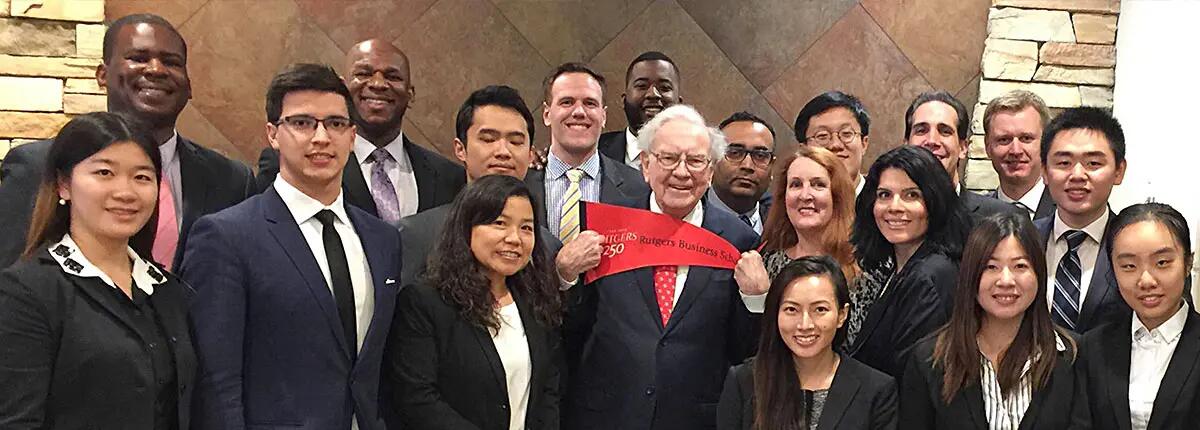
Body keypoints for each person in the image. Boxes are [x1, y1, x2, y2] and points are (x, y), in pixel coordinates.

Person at [182, 64, 401, 430]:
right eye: (302, 123)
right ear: (273, 133)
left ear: (351, 136)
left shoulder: (383, 239)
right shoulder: (226, 236)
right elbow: (216, 381)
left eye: (334, 124)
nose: (320, 137)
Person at [0, 13, 255, 270]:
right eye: (138, 58)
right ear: (102, 75)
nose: (156, 70)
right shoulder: (38, 165)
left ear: (189, 86)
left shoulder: (232, 180)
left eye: (172, 62)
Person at [562, 105, 759, 430]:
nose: (682, 172)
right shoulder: (607, 227)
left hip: (695, 418)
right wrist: (565, 276)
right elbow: (575, 328)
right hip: (606, 414)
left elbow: (743, 348)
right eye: (668, 158)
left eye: (696, 161)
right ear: (645, 164)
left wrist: (756, 300)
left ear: (709, 172)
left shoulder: (739, 241)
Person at [0, 112, 195, 428]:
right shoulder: (27, 292)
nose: (126, 192)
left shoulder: (165, 288)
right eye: (105, 172)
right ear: (64, 185)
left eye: (142, 177)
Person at [390, 175, 562, 429]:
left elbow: (548, 390)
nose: (515, 238)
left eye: (526, 227)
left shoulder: (536, 299)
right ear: (466, 227)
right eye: (500, 223)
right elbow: (417, 399)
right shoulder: (425, 302)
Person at [900, 213, 1078, 429]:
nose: (1006, 280)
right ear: (971, 275)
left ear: (1039, 274)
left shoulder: (1072, 356)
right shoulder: (930, 359)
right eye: (990, 267)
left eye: (1020, 266)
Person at [256, 39, 465, 221]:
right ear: (342, 86)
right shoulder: (286, 162)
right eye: (364, 73)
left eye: (392, 76)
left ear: (410, 93)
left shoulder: (450, 177)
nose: (378, 84)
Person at [397, 85, 564, 287]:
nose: (503, 151)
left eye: (516, 141)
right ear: (460, 149)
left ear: (530, 154)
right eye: (488, 139)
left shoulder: (547, 246)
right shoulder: (416, 235)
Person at [718, 256, 898, 430]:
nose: (805, 325)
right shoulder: (744, 381)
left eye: (820, 309)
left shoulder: (876, 389)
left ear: (842, 315)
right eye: (791, 309)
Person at [1072, 203, 1200, 429]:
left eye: (1162, 263)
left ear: (1188, 263)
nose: (1146, 281)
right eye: (1129, 266)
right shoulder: (1093, 347)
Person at [847, 145, 969, 377]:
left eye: (911, 195)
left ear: (935, 202)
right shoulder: (898, 267)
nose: (894, 207)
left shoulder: (930, 276)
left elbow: (911, 379)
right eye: (884, 195)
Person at [527, 63, 647, 243]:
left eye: (590, 103)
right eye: (566, 102)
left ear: (604, 116)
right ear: (546, 114)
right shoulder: (521, 182)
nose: (579, 112)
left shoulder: (638, 187)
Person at [1035, 106, 1130, 333]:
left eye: (1093, 164)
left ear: (1119, 171)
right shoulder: (1023, 239)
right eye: (1063, 163)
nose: (1077, 175)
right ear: (1045, 172)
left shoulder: (1136, 245)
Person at [731, 146, 858, 304]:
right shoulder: (767, 262)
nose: (805, 195)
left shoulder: (863, 266)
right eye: (796, 185)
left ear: (837, 196)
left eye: (818, 184)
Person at [904, 90, 1017, 223]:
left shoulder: (1001, 217)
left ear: (963, 147)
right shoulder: (885, 217)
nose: (932, 140)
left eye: (945, 131)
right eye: (921, 130)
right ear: (906, 144)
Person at [598, 51, 683, 167]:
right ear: (624, 100)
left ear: (679, 103)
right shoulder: (596, 150)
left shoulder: (700, 155)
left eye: (664, 87)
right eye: (642, 86)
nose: (653, 94)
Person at [983, 90, 1056, 220]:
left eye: (1026, 138)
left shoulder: (1068, 211)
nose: (1015, 151)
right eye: (1004, 140)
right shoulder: (971, 218)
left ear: (1046, 142)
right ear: (988, 146)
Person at [710, 111, 777, 236]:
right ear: (713, 160)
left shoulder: (785, 225)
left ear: (772, 167)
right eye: (735, 153)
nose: (747, 166)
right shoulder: (689, 216)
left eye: (760, 156)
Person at [793, 91, 872, 195]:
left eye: (846, 133)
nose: (835, 145)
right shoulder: (794, 206)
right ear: (804, 150)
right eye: (822, 136)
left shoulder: (885, 204)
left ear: (864, 144)